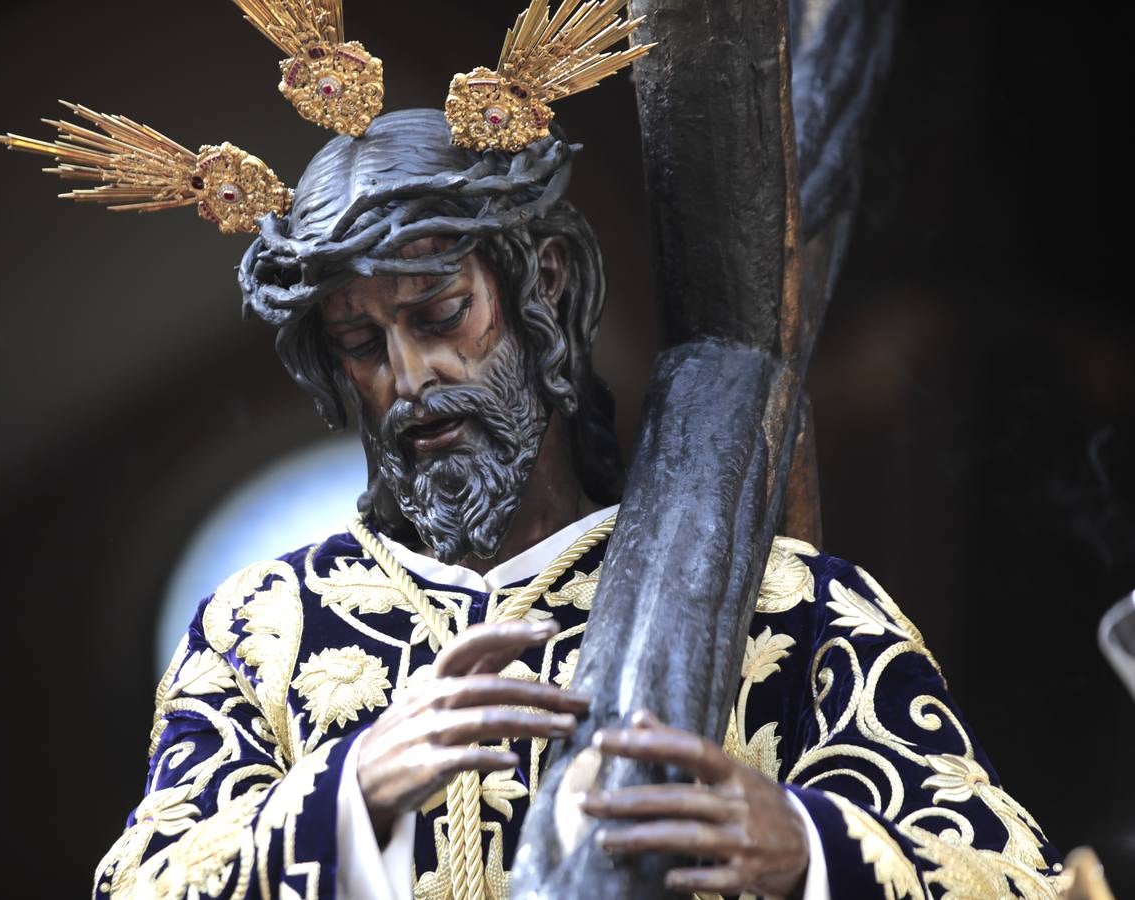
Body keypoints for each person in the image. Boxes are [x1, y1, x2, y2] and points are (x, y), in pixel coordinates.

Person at [86, 109, 1065, 899]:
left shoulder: (792, 610)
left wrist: (808, 852)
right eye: (360, 344)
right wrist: (352, 795)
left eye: (440, 316)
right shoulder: (260, 632)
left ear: (539, 283)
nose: (410, 377)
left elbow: (1022, 879)